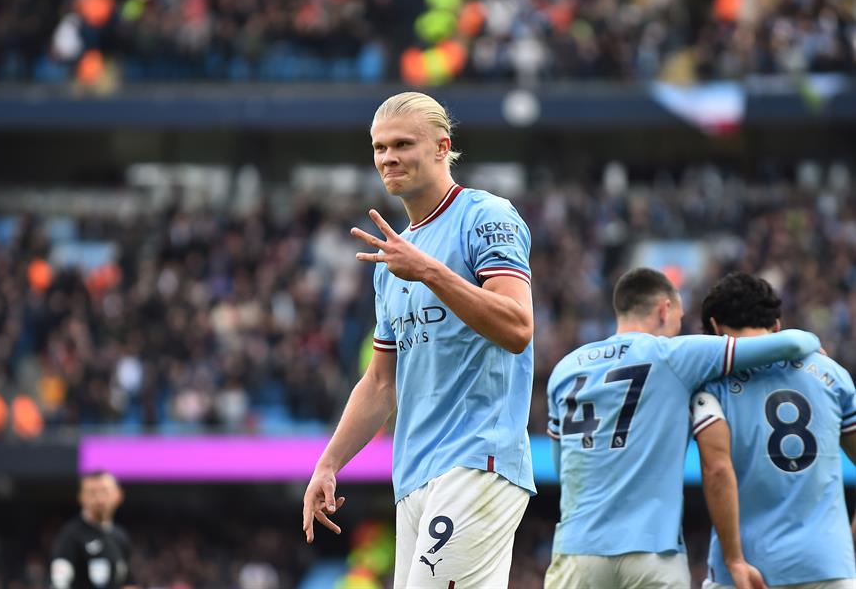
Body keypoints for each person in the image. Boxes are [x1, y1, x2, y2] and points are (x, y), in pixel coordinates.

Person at [302, 91, 535, 588]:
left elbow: (518, 327)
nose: (388, 158)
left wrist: (428, 271)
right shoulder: (392, 263)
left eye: (403, 144)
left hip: (477, 459)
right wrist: (329, 463)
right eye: (379, 147)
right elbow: (381, 383)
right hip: (413, 474)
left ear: (440, 147)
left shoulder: (486, 215)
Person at [545, 267, 822, 589]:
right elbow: (789, 344)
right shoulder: (673, 356)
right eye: (679, 315)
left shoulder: (566, 367)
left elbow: (561, 468)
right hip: (651, 552)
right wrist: (813, 343)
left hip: (577, 551)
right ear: (664, 308)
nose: (678, 325)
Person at [691, 272, 856, 589]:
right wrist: (846, 544)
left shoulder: (712, 384)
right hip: (827, 566)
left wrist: (733, 559)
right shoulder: (831, 373)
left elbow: (717, 470)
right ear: (777, 325)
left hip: (745, 570)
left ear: (713, 327)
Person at [51, 471, 136, 589]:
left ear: (118, 495)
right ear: (81, 497)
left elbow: (127, 582)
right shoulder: (70, 536)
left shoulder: (121, 537)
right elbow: (59, 583)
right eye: (92, 492)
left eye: (105, 491)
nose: (99, 499)